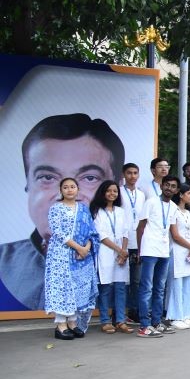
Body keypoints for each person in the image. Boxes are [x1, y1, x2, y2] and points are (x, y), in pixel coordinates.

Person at [1, 113, 125, 311]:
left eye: (90, 178)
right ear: (28, 186)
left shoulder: (113, 253)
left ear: (114, 187)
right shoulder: (3, 262)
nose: (68, 191)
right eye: (47, 177)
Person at [43, 177, 99, 340]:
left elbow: (91, 231)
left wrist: (86, 248)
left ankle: (73, 322)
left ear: (77, 189)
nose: (69, 190)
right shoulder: (56, 208)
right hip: (61, 255)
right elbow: (58, 232)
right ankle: (61, 324)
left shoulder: (83, 209)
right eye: (65, 187)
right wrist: (78, 248)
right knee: (63, 288)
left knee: (77, 289)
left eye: (72, 186)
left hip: (81, 257)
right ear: (61, 190)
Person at [135, 176, 177, 338]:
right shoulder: (151, 202)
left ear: (176, 190)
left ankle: (156, 322)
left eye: (173, 186)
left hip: (164, 251)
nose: (169, 188)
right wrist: (140, 250)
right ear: (161, 186)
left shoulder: (173, 207)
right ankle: (144, 326)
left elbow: (171, 230)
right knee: (147, 288)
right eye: (167, 185)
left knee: (160, 289)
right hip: (149, 250)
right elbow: (140, 227)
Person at [90, 180, 131, 334]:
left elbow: (125, 233)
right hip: (105, 253)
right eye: (109, 191)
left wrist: (124, 251)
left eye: (115, 191)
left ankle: (120, 320)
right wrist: (119, 250)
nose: (112, 193)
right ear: (103, 192)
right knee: (105, 287)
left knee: (120, 288)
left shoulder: (120, 211)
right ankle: (105, 321)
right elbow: (101, 236)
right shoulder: (96, 211)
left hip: (121, 254)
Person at [167, 182, 190, 330]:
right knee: (177, 285)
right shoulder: (173, 211)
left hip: (189, 252)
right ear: (180, 195)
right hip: (178, 252)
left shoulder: (188, 212)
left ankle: (186, 314)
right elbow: (175, 235)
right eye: (188, 193)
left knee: (188, 285)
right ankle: (175, 316)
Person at [119, 162, 148, 323]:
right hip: (122, 241)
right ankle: (118, 312)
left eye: (135, 173)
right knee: (121, 280)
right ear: (124, 175)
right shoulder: (119, 193)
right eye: (129, 173)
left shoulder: (142, 194)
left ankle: (134, 310)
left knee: (137, 280)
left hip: (137, 242)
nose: (132, 176)